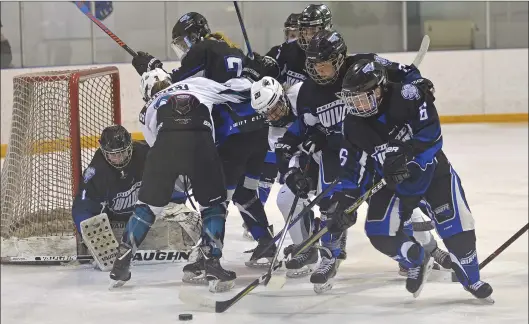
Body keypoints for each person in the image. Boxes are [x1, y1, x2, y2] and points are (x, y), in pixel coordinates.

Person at [273, 29, 449, 293]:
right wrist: (305, 140)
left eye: (323, 64)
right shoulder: (309, 91)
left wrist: (419, 83)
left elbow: (405, 73)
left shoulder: (366, 66)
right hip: (342, 154)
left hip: (382, 146)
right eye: (313, 64)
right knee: (333, 209)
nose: (317, 70)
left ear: (339, 58)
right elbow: (306, 124)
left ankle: (426, 251)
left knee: (404, 204)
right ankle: (330, 258)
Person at [326, 58, 493, 302]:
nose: (357, 105)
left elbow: (432, 134)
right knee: (379, 232)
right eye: (353, 99)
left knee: (457, 228)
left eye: (362, 97)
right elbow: (352, 168)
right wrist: (344, 202)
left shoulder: (407, 95)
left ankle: (472, 279)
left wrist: (407, 154)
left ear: (379, 88)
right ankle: (416, 257)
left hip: (432, 172)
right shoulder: (352, 125)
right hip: (392, 183)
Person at [109, 68, 264, 294]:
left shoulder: (146, 109)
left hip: (164, 150)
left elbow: (156, 144)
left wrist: (177, 172)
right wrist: (254, 78)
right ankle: (212, 263)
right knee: (213, 206)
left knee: (147, 208)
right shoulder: (198, 83)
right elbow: (238, 92)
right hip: (200, 143)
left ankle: (121, 263)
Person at [72, 125, 197, 271]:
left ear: (130, 146)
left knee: (188, 218)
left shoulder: (147, 152)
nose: (118, 159)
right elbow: (83, 207)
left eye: (122, 153)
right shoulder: (96, 172)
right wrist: (89, 234)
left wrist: (175, 202)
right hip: (120, 224)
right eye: (113, 154)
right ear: (103, 151)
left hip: (149, 215)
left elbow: (173, 178)